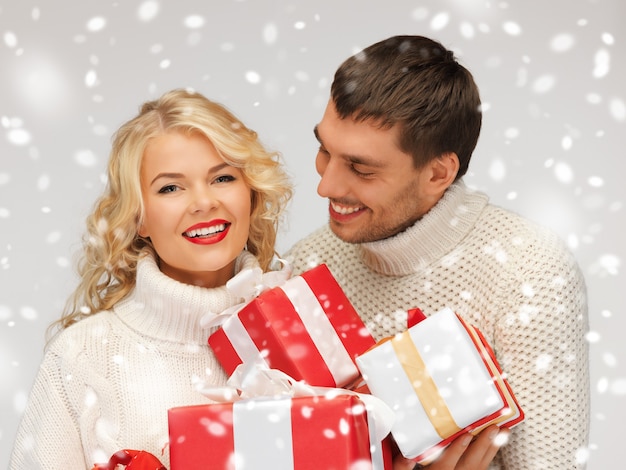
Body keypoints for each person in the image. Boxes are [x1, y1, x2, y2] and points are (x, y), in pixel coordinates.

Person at [286, 35, 589, 469]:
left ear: (438, 173)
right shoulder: (308, 265)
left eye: (361, 168)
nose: (326, 186)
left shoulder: (528, 268)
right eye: (323, 150)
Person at [9, 88, 292, 469]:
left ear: (252, 195)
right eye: (170, 187)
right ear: (138, 217)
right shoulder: (83, 356)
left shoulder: (300, 325)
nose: (204, 202)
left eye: (222, 177)